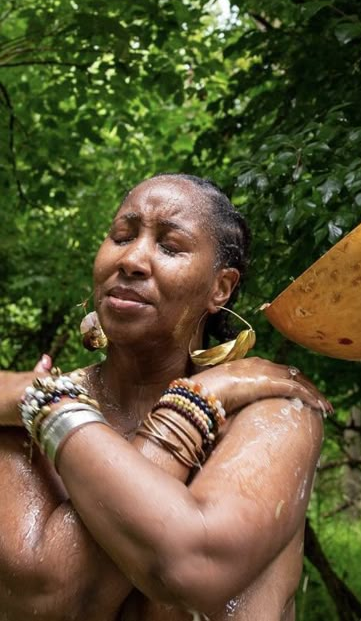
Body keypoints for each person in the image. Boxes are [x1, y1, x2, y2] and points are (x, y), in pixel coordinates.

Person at [0, 173, 332, 621]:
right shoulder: (21, 410)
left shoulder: (273, 409)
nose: (133, 259)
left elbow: (194, 565)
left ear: (221, 288)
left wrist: (50, 408)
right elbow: (47, 596)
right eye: (122, 236)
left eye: (170, 247)